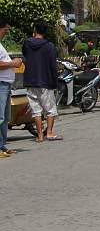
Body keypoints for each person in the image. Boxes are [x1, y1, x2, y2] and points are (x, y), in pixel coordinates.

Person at [22, 20, 61, 142]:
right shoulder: (50, 46)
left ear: (35, 31)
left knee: (36, 110)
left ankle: (39, 135)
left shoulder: (27, 44)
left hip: (30, 81)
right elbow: (53, 66)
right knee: (50, 109)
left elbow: (25, 55)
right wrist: (55, 82)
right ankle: (49, 132)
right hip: (45, 81)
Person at [0, 16, 24, 158]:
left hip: (6, 84)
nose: (6, 33)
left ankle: (2, 145)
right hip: (1, 84)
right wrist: (12, 63)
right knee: (0, 117)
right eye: (5, 30)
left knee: (5, 118)